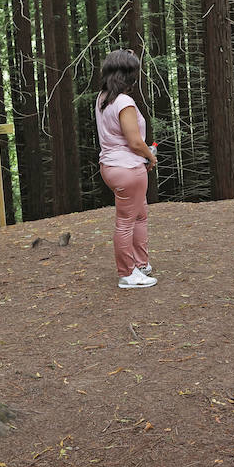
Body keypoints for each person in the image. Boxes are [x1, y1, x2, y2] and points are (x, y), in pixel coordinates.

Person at [95, 50, 159, 289]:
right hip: (128, 168)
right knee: (126, 221)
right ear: (128, 75)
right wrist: (149, 158)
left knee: (139, 215)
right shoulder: (124, 102)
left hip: (112, 166)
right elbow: (134, 141)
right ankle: (127, 273)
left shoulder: (103, 98)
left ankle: (140, 264)